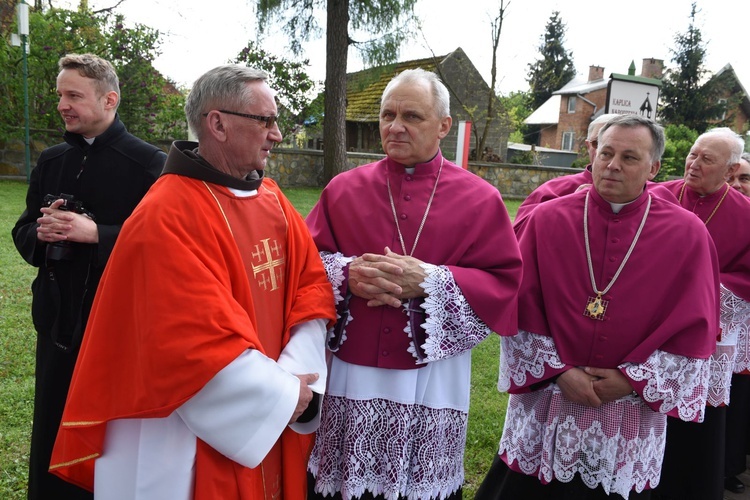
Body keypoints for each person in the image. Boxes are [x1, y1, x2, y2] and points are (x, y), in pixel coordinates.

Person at [48, 65, 336, 499]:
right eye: (266, 121)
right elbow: (186, 337)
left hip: (276, 402)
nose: (276, 134)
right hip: (182, 430)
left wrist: (298, 377)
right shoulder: (164, 214)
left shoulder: (274, 202)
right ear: (217, 123)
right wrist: (281, 394)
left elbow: (310, 289)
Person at [476, 114, 720, 500]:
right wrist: (559, 372)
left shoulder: (689, 234)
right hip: (550, 397)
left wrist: (633, 380)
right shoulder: (546, 219)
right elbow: (519, 307)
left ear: (653, 168)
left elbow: (696, 327)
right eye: (606, 153)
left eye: (629, 157)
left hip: (627, 409)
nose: (612, 165)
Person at [305, 68, 522, 499]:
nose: (395, 126)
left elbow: (504, 282)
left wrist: (432, 280)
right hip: (352, 366)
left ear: (444, 126)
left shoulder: (481, 200)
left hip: (433, 375)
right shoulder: (342, 189)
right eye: (387, 115)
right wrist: (348, 274)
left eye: (412, 116)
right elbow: (306, 264)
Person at [11, 53, 166, 499]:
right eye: (61, 94)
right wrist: (40, 233)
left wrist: (97, 233)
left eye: (73, 95)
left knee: (105, 441)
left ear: (109, 99)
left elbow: (164, 246)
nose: (62, 104)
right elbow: (22, 231)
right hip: (57, 322)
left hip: (116, 328)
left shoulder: (149, 165)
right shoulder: (52, 160)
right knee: (51, 428)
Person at [656, 128, 750, 499]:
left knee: (696, 420)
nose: (693, 164)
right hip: (648, 327)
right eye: (692, 154)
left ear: (729, 172)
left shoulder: (745, 215)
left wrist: (697, 288)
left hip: (705, 333)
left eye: (706, 160)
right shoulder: (658, 194)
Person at [513, 113, 618, 233]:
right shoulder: (552, 190)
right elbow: (518, 234)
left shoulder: (643, 192)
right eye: (597, 143)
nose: (603, 151)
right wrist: (568, 205)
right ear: (588, 146)